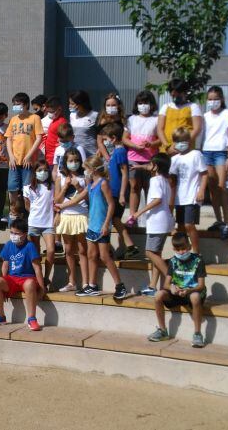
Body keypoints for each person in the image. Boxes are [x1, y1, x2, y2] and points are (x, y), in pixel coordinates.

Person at [75, 155, 127, 298]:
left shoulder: (103, 183)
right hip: (92, 225)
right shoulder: (91, 184)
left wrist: (106, 224)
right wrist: (62, 205)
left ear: (93, 169)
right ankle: (92, 285)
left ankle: (120, 285)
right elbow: (81, 197)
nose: (85, 171)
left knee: (104, 256)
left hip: (102, 225)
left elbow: (111, 204)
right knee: (91, 255)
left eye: (86, 169)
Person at [0, 219, 44, 331]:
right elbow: (5, 265)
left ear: (25, 234)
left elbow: (37, 267)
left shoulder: (30, 246)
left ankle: (32, 318)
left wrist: (42, 287)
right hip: (12, 278)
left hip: (27, 278)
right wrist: (3, 281)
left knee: (30, 284)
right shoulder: (8, 245)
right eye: (11, 232)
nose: (13, 235)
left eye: (16, 233)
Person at [147, 232, 207, 348]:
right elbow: (166, 284)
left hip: (192, 292)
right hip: (177, 293)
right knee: (158, 294)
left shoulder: (198, 260)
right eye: (178, 249)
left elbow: (201, 286)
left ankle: (197, 334)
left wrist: (188, 291)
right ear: (174, 249)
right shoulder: (173, 261)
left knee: (195, 297)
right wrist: (172, 288)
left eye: (183, 249)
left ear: (189, 247)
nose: (181, 252)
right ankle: (163, 330)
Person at [132, 154, 174, 296]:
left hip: (157, 222)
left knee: (149, 253)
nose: (148, 166)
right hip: (164, 221)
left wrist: (139, 212)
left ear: (155, 166)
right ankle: (152, 286)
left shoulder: (155, 180)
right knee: (156, 253)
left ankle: (171, 278)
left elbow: (157, 200)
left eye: (150, 164)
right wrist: (139, 166)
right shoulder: (165, 180)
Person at [202, 86, 228, 239]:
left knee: (222, 187)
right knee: (213, 188)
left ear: (221, 99)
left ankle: (227, 221)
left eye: (216, 98)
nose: (213, 101)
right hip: (206, 152)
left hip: (221, 152)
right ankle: (219, 220)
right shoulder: (204, 116)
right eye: (210, 99)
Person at [54, 148, 89, 293]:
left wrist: (78, 186)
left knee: (82, 249)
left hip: (81, 215)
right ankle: (72, 281)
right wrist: (66, 186)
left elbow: (87, 197)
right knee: (68, 249)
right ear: (65, 162)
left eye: (76, 161)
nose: (73, 163)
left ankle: (86, 283)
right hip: (66, 216)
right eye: (70, 161)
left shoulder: (84, 177)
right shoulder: (60, 178)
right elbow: (57, 200)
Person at [102, 123, 139, 259]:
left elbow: (124, 174)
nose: (105, 142)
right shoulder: (115, 152)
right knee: (115, 219)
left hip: (117, 192)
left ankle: (130, 245)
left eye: (106, 139)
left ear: (113, 138)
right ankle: (129, 246)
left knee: (114, 218)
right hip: (112, 191)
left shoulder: (120, 152)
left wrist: (122, 194)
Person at [123, 90, 160, 226]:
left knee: (150, 188)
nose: (143, 105)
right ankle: (132, 216)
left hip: (151, 159)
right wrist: (135, 146)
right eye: (140, 103)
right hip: (133, 157)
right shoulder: (131, 119)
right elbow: (124, 138)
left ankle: (150, 218)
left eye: (146, 103)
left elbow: (161, 140)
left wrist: (152, 144)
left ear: (151, 104)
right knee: (134, 187)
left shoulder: (156, 120)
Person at [169, 127, 208, 253]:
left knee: (188, 225)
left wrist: (201, 190)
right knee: (180, 226)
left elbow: (204, 173)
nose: (181, 143)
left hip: (192, 196)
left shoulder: (196, 154)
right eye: (178, 141)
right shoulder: (175, 159)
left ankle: (196, 252)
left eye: (184, 140)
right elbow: (172, 178)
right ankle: (183, 250)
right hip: (179, 197)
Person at [5, 92, 44, 207]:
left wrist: (28, 156)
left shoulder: (35, 118)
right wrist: (11, 157)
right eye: (14, 104)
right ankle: (13, 215)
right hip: (14, 162)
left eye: (18, 104)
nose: (16, 106)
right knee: (12, 188)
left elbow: (39, 138)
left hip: (29, 161)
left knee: (27, 190)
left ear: (26, 104)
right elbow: (8, 139)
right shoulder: (13, 119)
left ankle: (28, 217)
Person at [23, 160, 55, 288]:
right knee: (35, 253)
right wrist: (36, 214)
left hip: (49, 223)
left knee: (51, 250)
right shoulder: (28, 187)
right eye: (40, 170)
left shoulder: (52, 186)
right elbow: (27, 205)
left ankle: (47, 277)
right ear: (34, 172)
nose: (43, 173)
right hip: (34, 223)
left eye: (46, 170)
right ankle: (38, 277)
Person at [157, 78, 202, 155]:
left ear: (185, 92)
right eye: (173, 94)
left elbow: (197, 129)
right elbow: (160, 129)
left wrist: (182, 145)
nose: (175, 96)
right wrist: (167, 146)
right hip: (167, 151)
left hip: (186, 150)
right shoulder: (165, 107)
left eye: (178, 94)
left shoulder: (193, 107)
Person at [95, 93, 127, 161]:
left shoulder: (123, 120)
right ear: (105, 107)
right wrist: (108, 158)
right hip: (106, 154)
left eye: (113, 105)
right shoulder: (101, 121)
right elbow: (99, 141)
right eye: (108, 105)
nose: (111, 107)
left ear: (118, 106)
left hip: (120, 152)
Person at [68, 89, 99, 157]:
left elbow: (100, 136)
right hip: (76, 155)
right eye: (69, 103)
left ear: (81, 103)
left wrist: (99, 150)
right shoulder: (72, 115)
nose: (70, 106)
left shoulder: (95, 115)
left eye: (72, 103)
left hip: (92, 155)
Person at [43, 96, 68, 173]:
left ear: (59, 109)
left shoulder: (62, 122)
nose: (49, 114)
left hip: (54, 158)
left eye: (51, 111)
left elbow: (65, 139)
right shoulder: (54, 120)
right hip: (49, 157)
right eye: (48, 112)